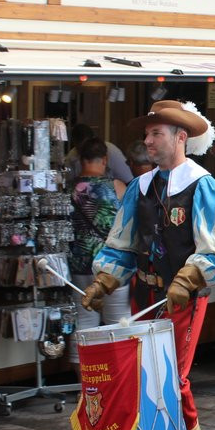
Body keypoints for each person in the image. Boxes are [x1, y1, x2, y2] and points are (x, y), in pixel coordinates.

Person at [82, 100, 215, 430]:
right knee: (149, 377)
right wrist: (104, 281)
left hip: (182, 297)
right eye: (147, 134)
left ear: (180, 138)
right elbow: (122, 242)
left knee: (174, 377)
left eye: (156, 133)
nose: (147, 141)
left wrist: (188, 279)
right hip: (144, 293)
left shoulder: (203, 185)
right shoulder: (140, 186)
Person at [69, 138, 130, 370]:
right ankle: (120, 382)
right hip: (112, 264)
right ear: (104, 160)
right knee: (119, 323)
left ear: (81, 160)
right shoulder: (117, 187)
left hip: (80, 263)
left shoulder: (68, 188)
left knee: (84, 323)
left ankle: (85, 387)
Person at [67, 122, 133, 184]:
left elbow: (129, 180)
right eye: (81, 149)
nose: (85, 151)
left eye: (88, 146)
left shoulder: (112, 152)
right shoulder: (71, 157)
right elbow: (69, 182)